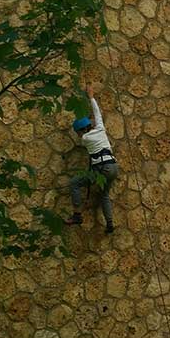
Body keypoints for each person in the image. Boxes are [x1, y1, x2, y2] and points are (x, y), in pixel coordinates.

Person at [67, 85, 118, 233]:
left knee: (74, 183)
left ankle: (77, 214)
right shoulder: (100, 129)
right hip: (113, 167)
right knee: (104, 195)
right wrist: (90, 97)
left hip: (102, 169)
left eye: (77, 132)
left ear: (80, 131)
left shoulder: (85, 138)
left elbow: (89, 124)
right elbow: (97, 114)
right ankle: (109, 223)